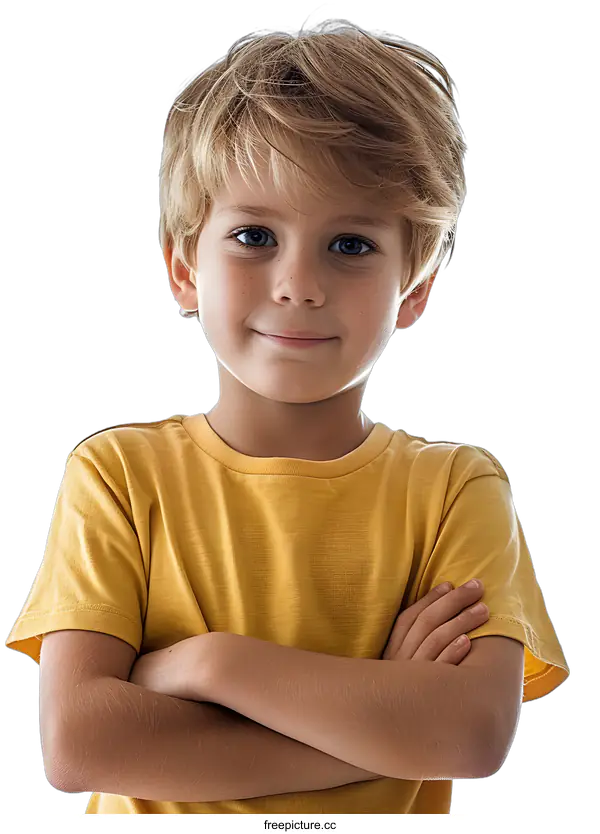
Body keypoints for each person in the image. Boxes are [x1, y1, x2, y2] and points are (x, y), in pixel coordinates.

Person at [4, 21, 569, 814]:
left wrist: (208, 665)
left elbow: (468, 734)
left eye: (350, 244)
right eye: (255, 236)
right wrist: (378, 723)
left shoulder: (455, 489)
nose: (298, 285)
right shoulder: (119, 476)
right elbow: (84, 744)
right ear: (183, 267)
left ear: (414, 289)